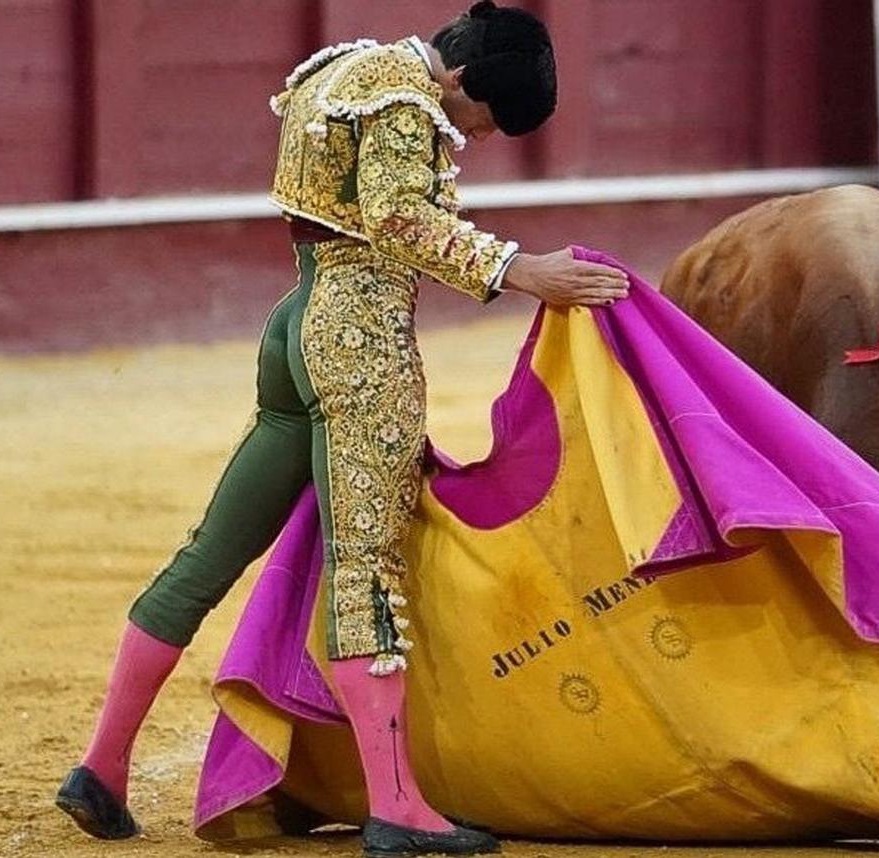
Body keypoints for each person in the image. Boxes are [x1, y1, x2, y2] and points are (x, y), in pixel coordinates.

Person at [54, 3, 629, 855]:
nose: (470, 133)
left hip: (296, 324)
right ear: (463, 79)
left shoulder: (349, 66)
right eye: (477, 118)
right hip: (357, 338)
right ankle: (397, 806)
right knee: (367, 568)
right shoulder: (405, 102)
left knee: (211, 551)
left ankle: (100, 767)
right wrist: (519, 269)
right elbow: (401, 216)